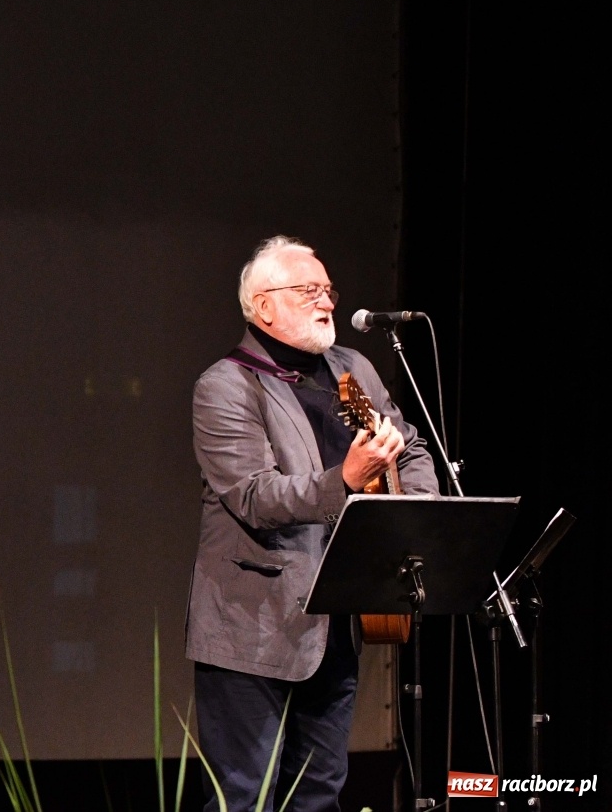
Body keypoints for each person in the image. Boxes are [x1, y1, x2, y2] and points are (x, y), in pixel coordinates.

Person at [185, 236, 437, 811]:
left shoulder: (353, 368)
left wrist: (412, 509)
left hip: (336, 618)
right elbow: (253, 496)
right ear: (264, 305)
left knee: (320, 792)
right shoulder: (225, 385)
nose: (326, 301)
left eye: (328, 290)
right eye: (308, 290)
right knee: (244, 797)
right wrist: (344, 479)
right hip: (251, 627)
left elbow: (411, 446)